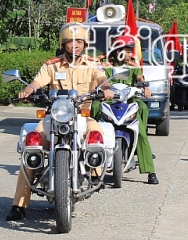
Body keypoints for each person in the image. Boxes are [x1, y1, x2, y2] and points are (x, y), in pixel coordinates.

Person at [6, 24, 115, 221]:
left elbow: (102, 79)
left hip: (82, 115)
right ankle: (18, 205)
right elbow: (37, 82)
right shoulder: (52, 65)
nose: (75, 45)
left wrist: (107, 89)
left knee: (96, 131)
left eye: (79, 42)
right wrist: (27, 91)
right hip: (54, 116)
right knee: (32, 144)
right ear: (63, 43)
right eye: (71, 41)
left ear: (85, 44)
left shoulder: (92, 64)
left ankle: (96, 172)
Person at [91, 34, 159, 184]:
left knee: (141, 112)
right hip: (108, 101)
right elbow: (99, 79)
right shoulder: (106, 64)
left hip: (128, 100)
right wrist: (100, 91)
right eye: (126, 51)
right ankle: (92, 146)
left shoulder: (133, 65)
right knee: (95, 106)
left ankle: (150, 170)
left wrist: (145, 87)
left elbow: (140, 78)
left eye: (130, 51)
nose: (130, 54)